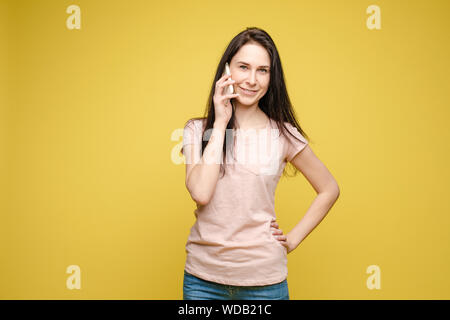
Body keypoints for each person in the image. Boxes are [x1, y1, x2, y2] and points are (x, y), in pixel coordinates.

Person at [180, 27, 340, 300]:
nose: (252, 80)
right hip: (202, 282)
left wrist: (292, 240)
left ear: (271, 77)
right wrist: (220, 123)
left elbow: (329, 189)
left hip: (265, 284)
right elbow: (201, 193)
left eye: (262, 70)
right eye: (243, 67)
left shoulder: (283, 135)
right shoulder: (198, 130)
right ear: (227, 70)